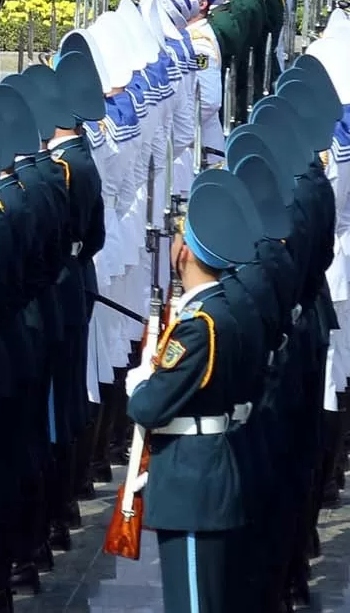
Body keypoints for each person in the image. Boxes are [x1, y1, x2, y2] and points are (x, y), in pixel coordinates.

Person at [125, 170, 258, 613]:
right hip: (208, 468)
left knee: (193, 603)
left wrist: (142, 382)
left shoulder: (199, 326)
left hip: (191, 480)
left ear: (183, 251)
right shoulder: (229, 309)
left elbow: (148, 406)